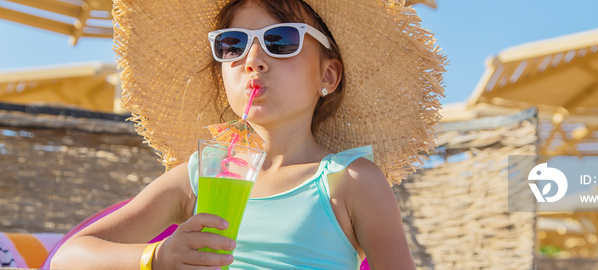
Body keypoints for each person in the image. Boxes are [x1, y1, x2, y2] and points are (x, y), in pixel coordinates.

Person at [51, 0, 445, 269]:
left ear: (328, 75)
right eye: (232, 44)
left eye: (280, 41)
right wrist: (158, 257)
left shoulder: (350, 180)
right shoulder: (199, 177)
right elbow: (69, 256)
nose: (253, 60)